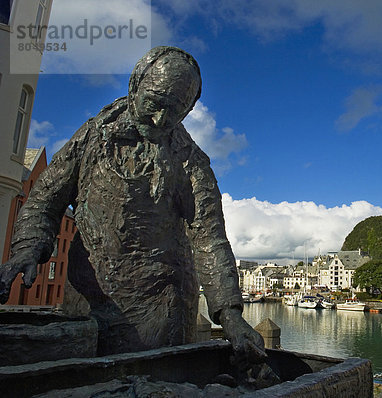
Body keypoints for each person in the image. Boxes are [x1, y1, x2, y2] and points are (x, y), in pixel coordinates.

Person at [0, 47, 266, 369]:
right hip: (85, 302)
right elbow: (45, 200)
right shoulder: (90, 138)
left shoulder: (191, 163)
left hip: (159, 314)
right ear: (134, 85)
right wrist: (28, 248)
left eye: (175, 110)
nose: (160, 119)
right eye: (154, 103)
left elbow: (209, 239)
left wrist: (231, 315)